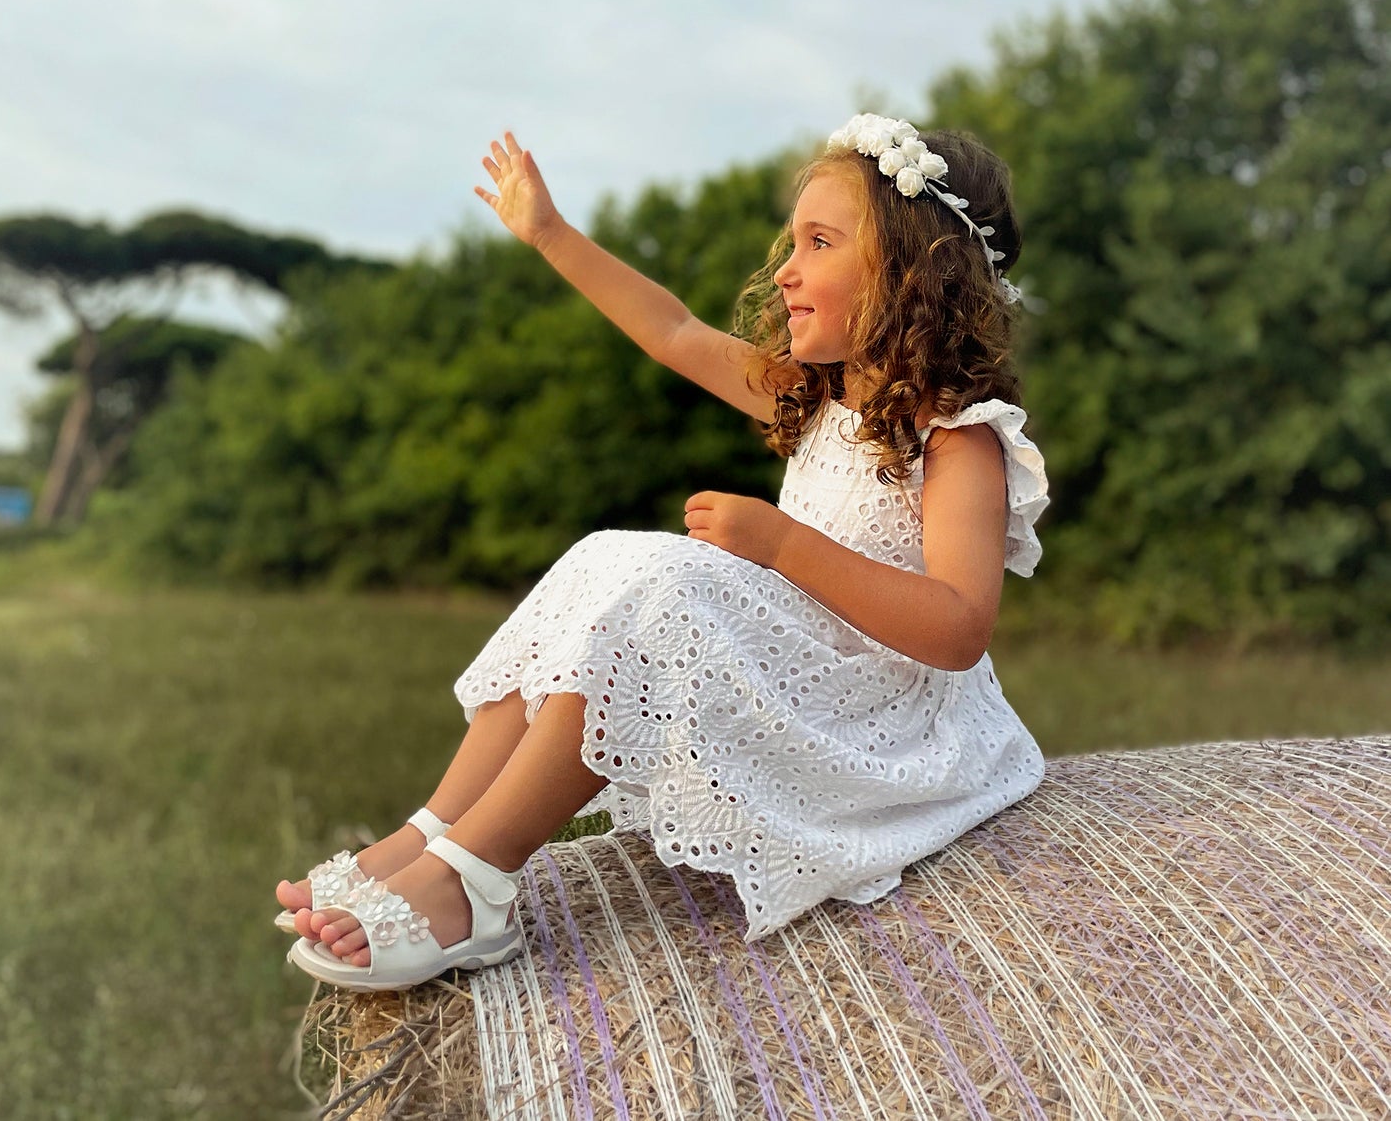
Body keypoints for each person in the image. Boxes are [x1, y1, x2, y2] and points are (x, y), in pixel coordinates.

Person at [278, 114, 1051, 992]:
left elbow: (957, 628)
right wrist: (549, 233)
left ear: (916, 273)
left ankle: (477, 882)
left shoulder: (958, 441)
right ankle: (425, 837)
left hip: (879, 713)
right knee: (606, 559)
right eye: (791, 242)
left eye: (820, 242)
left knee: (666, 592)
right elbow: (675, 332)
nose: (786, 270)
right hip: (804, 670)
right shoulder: (815, 397)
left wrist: (781, 543)